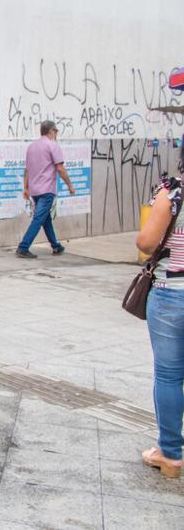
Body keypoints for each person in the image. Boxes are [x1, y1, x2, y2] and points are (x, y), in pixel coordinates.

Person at [137, 142, 184, 479]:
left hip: (171, 293)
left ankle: (170, 453)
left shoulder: (171, 194)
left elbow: (146, 242)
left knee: (169, 375)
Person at [16, 120, 75, 258]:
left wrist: (26, 188)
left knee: (45, 218)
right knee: (38, 219)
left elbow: (27, 170)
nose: (56, 134)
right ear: (51, 131)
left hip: (35, 190)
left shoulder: (31, 147)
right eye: (56, 131)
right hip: (47, 190)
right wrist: (70, 186)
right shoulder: (52, 146)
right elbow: (60, 168)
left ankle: (56, 246)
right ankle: (23, 247)